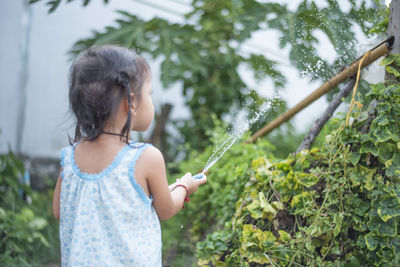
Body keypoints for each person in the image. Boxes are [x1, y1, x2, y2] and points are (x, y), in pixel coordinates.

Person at [52, 45, 207, 266]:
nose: (152, 101)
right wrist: (184, 186)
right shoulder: (146, 158)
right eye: (150, 94)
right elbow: (166, 209)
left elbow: (60, 211)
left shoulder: (70, 158)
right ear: (131, 102)